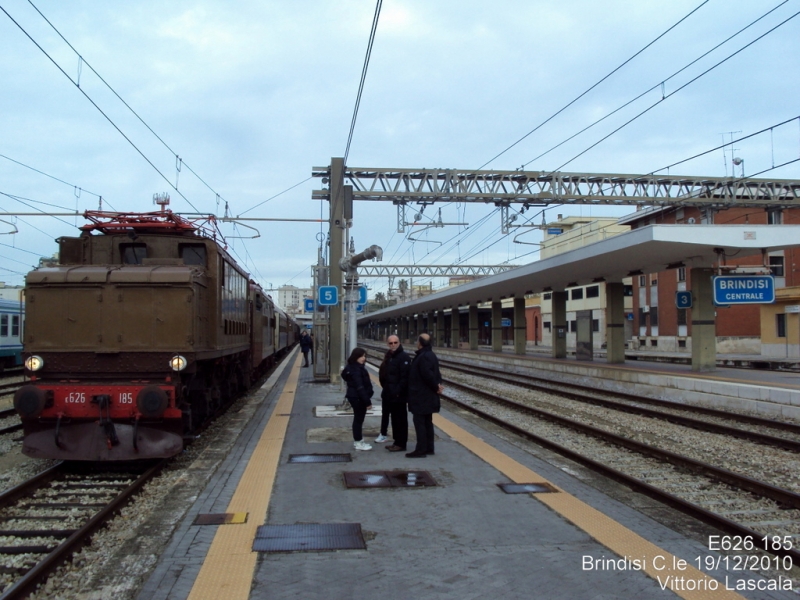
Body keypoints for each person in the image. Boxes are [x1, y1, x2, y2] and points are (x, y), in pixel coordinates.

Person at [406, 333, 443, 458]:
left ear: (419, 343)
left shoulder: (423, 357)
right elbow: (437, 374)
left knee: (420, 422)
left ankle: (421, 449)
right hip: (427, 395)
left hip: (421, 396)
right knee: (427, 422)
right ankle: (428, 448)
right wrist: (437, 386)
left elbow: (428, 376)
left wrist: (436, 387)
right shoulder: (431, 355)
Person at [377, 334, 410, 451]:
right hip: (388, 394)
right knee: (394, 419)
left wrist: (397, 392)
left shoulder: (404, 357)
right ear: (387, 344)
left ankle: (401, 443)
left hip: (398, 395)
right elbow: (384, 374)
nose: (393, 345)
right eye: (391, 343)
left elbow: (405, 378)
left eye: (395, 342)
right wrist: (386, 388)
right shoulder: (389, 356)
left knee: (400, 419)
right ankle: (396, 442)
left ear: (399, 343)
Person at [341, 347, 374, 451]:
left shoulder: (351, 367)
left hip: (354, 396)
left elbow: (344, 375)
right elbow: (360, 387)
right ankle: (358, 442)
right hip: (358, 398)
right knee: (358, 420)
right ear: (356, 357)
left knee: (358, 419)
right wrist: (367, 402)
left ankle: (359, 441)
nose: (363, 358)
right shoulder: (356, 369)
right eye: (361, 356)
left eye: (364, 356)